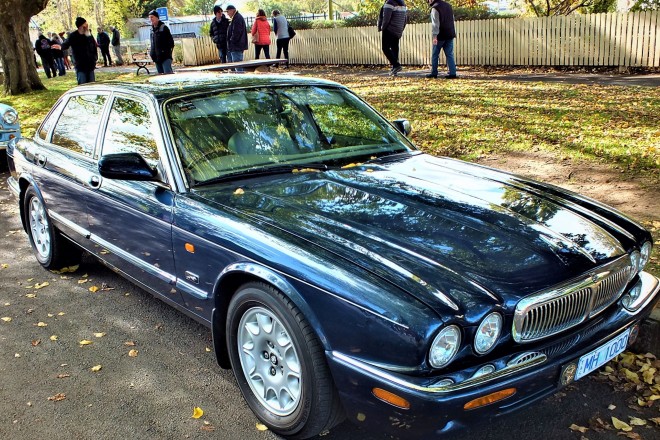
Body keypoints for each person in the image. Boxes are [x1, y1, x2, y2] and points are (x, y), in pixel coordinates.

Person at [59, 17, 98, 84]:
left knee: (92, 85)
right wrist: (60, 47)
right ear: (80, 26)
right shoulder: (73, 36)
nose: (87, 26)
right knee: (82, 84)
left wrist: (94, 58)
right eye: (85, 25)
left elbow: (93, 46)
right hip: (80, 65)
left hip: (90, 64)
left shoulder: (89, 34)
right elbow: (66, 44)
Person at [426, 0, 457, 79]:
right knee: (450, 54)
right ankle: (452, 73)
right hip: (450, 34)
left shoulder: (435, 8)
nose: (428, 1)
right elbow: (452, 20)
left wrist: (435, 36)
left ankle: (434, 73)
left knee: (435, 54)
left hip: (440, 35)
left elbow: (435, 24)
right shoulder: (448, 6)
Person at [377, 0, 407, 76]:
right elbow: (405, 19)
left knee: (385, 48)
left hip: (389, 29)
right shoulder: (402, 4)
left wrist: (382, 28)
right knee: (394, 48)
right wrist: (401, 29)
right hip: (398, 29)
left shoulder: (389, 3)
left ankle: (396, 65)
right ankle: (395, 70)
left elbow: (386, 18)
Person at [148, 10, 175, 74]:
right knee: (160, 78)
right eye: (149, 17)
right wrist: (152, 53)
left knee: (168, 76)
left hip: (165, 57)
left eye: (152, 17)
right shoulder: (152, 30)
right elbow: (152, 44)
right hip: (156, 58)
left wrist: (164, 51)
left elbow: (171, 43)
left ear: (157, 18)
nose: (150, 19)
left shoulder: (164, 28)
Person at [226, 5, 248, 70]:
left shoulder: (237, 18)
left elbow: (236, 32)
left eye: (228, 11)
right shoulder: (237, 17)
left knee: (238, 66)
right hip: (237, 45)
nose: (227, 13)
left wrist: (231, 41)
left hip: (236, 46)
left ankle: (241, 79)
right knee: (238, 65)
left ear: (232, 10)